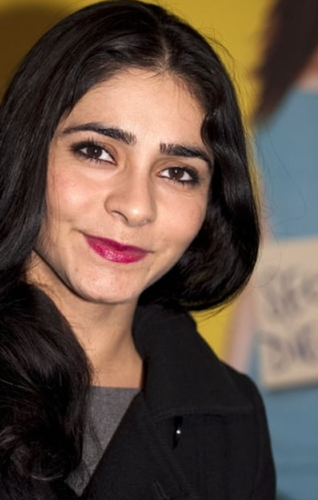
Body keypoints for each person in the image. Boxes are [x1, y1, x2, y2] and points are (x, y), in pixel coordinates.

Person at [0, 1, 275, 499]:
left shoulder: (233, 420)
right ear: (26, 151)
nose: (136, 206)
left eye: (178, 173)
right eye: (97, 151)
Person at [226, 1, 318, 499]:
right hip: (286, 342)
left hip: (285, 341)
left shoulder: (276, 104)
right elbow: (264, 256)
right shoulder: (278, 105)